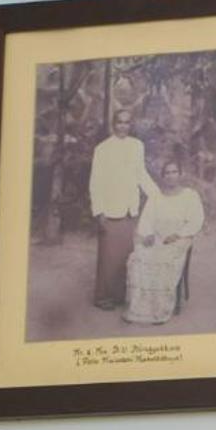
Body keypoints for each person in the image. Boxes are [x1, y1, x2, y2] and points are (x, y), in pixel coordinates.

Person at [89, 109, 160, 310]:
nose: (123, 126)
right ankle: (103, 297)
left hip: (129, 208)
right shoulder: (102, 149)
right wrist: (99, 211)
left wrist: (157, 195)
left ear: (131, 125)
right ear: (113, 124)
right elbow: (96, 182)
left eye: (127, 122)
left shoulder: (137, 146)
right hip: (109, 209)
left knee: (126, 255)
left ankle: (120, 295)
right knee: (108, 256)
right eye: (119, 122)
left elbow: (141, 174)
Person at [123, 155, 206, 325]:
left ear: (180, 174)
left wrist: (178, 235)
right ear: (163, 176)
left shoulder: (190, 195)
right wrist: (148, 234)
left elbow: (196, 220)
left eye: (174, 172)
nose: (171, 176)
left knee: (165, 259)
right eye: (167, 173)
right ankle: (140, 307)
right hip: (158, 236)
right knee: (139, 256)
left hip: (179, 237)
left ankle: (159, 308)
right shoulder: (156, 197)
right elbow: (146, 219)